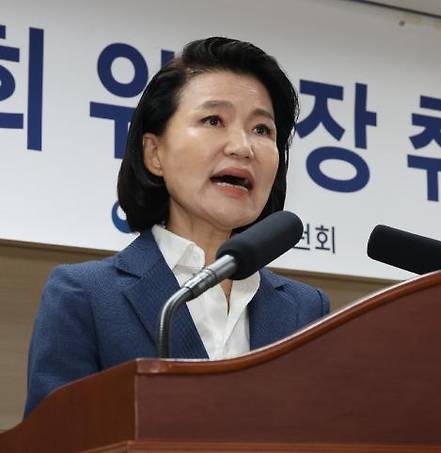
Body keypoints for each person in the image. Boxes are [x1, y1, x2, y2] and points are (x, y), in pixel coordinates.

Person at [24, 37, 330, 416]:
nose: (242, 147)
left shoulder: (306, 309)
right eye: (213, 120)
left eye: (262, 130)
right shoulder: (85, 296)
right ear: (154, 153)